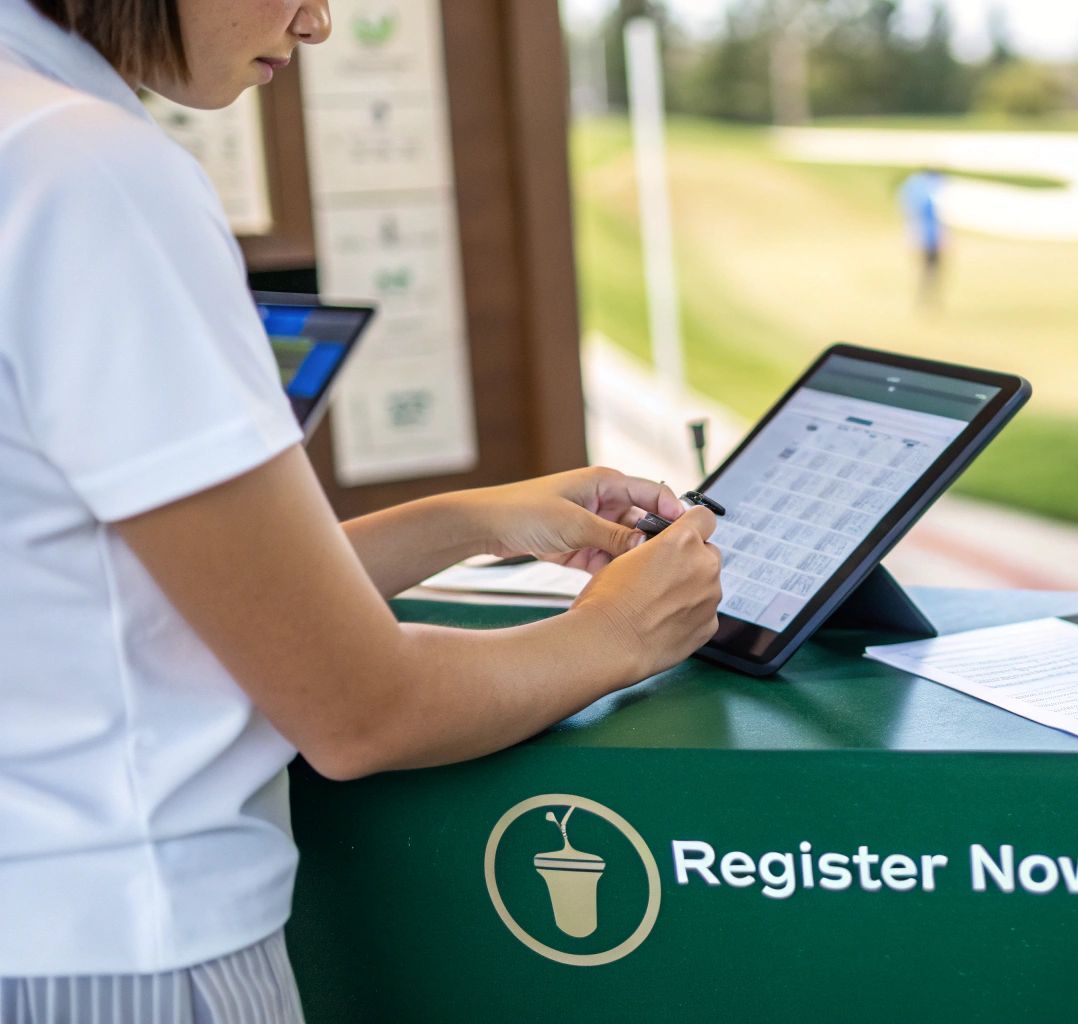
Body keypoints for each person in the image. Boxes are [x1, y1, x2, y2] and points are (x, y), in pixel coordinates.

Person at [0, 0, 722, 1019]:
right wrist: (620, 632)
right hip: (126, 947)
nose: (317, 22)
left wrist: (464, 522)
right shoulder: (90, 171)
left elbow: (104, 591)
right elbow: (358, 709)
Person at [897, 166, 946, 309]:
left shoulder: (913, 185)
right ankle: (927, 299)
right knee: (930, 269)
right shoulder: (932, 187)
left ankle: (926, 299)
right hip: (929, 237)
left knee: (927, 269)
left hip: (919, 235)